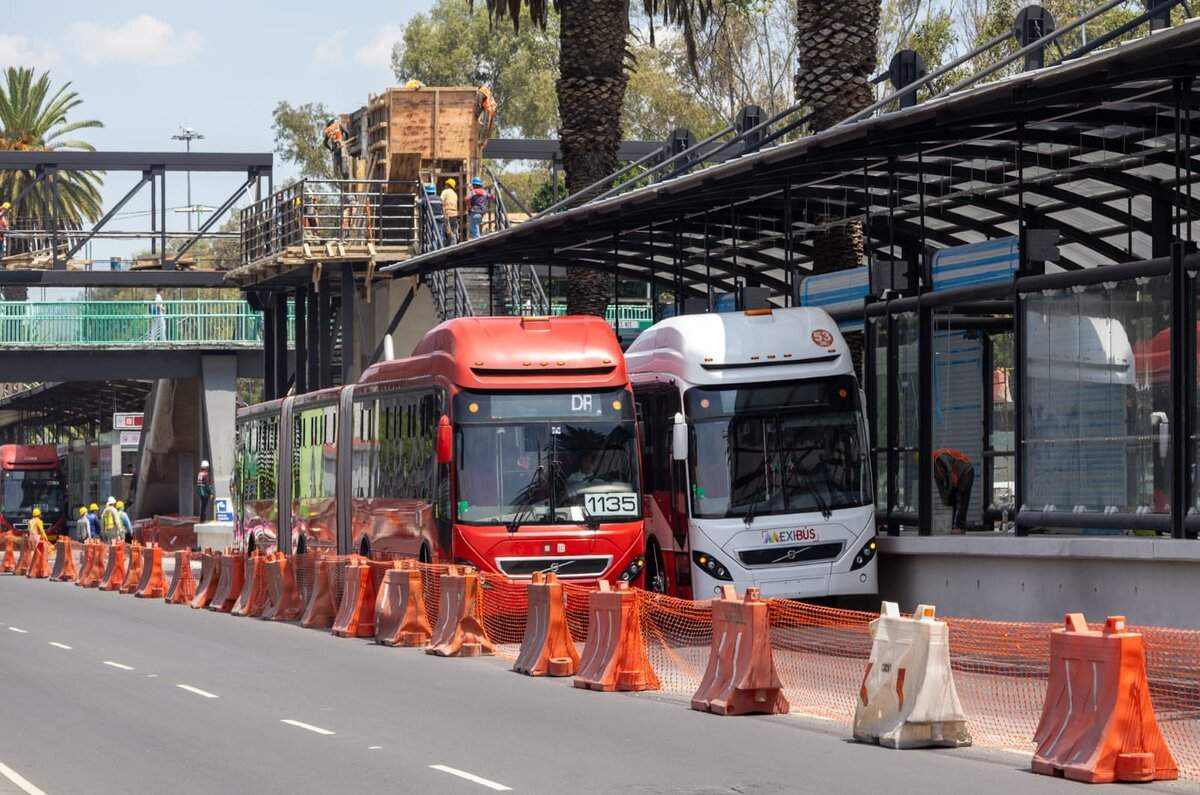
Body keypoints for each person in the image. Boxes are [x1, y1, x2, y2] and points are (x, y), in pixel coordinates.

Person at [932, 447, 974, 533]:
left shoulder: (939, 456)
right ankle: (950, 525)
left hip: (966, 470)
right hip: (956, 475)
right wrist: (945, 500)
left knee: (962, 498)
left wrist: (949, 492)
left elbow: (951, 474)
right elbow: (941, 487)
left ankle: (960, 527)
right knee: (951, 500)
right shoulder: (934, 470)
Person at [322, 116, 351, 180]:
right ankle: (346, 178)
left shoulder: (327, 130)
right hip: (342, 146)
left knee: (338, 167)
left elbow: (325, 143)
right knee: (345, 164)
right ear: (333, 121)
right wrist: (346, 142)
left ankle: (341, 178)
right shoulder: (338, 125)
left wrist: (330, 149)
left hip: (335, 149)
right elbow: (347, 133)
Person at [440, 178, 459, 244]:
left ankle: (447, 248)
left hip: (447, 214)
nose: (445, 185)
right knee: (453, 232)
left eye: (446, 184)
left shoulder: (445, 192)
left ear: (448, 185)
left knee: (446, 232)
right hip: (454, 215)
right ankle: (454, 247)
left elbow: (441, 201)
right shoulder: (455, 194)